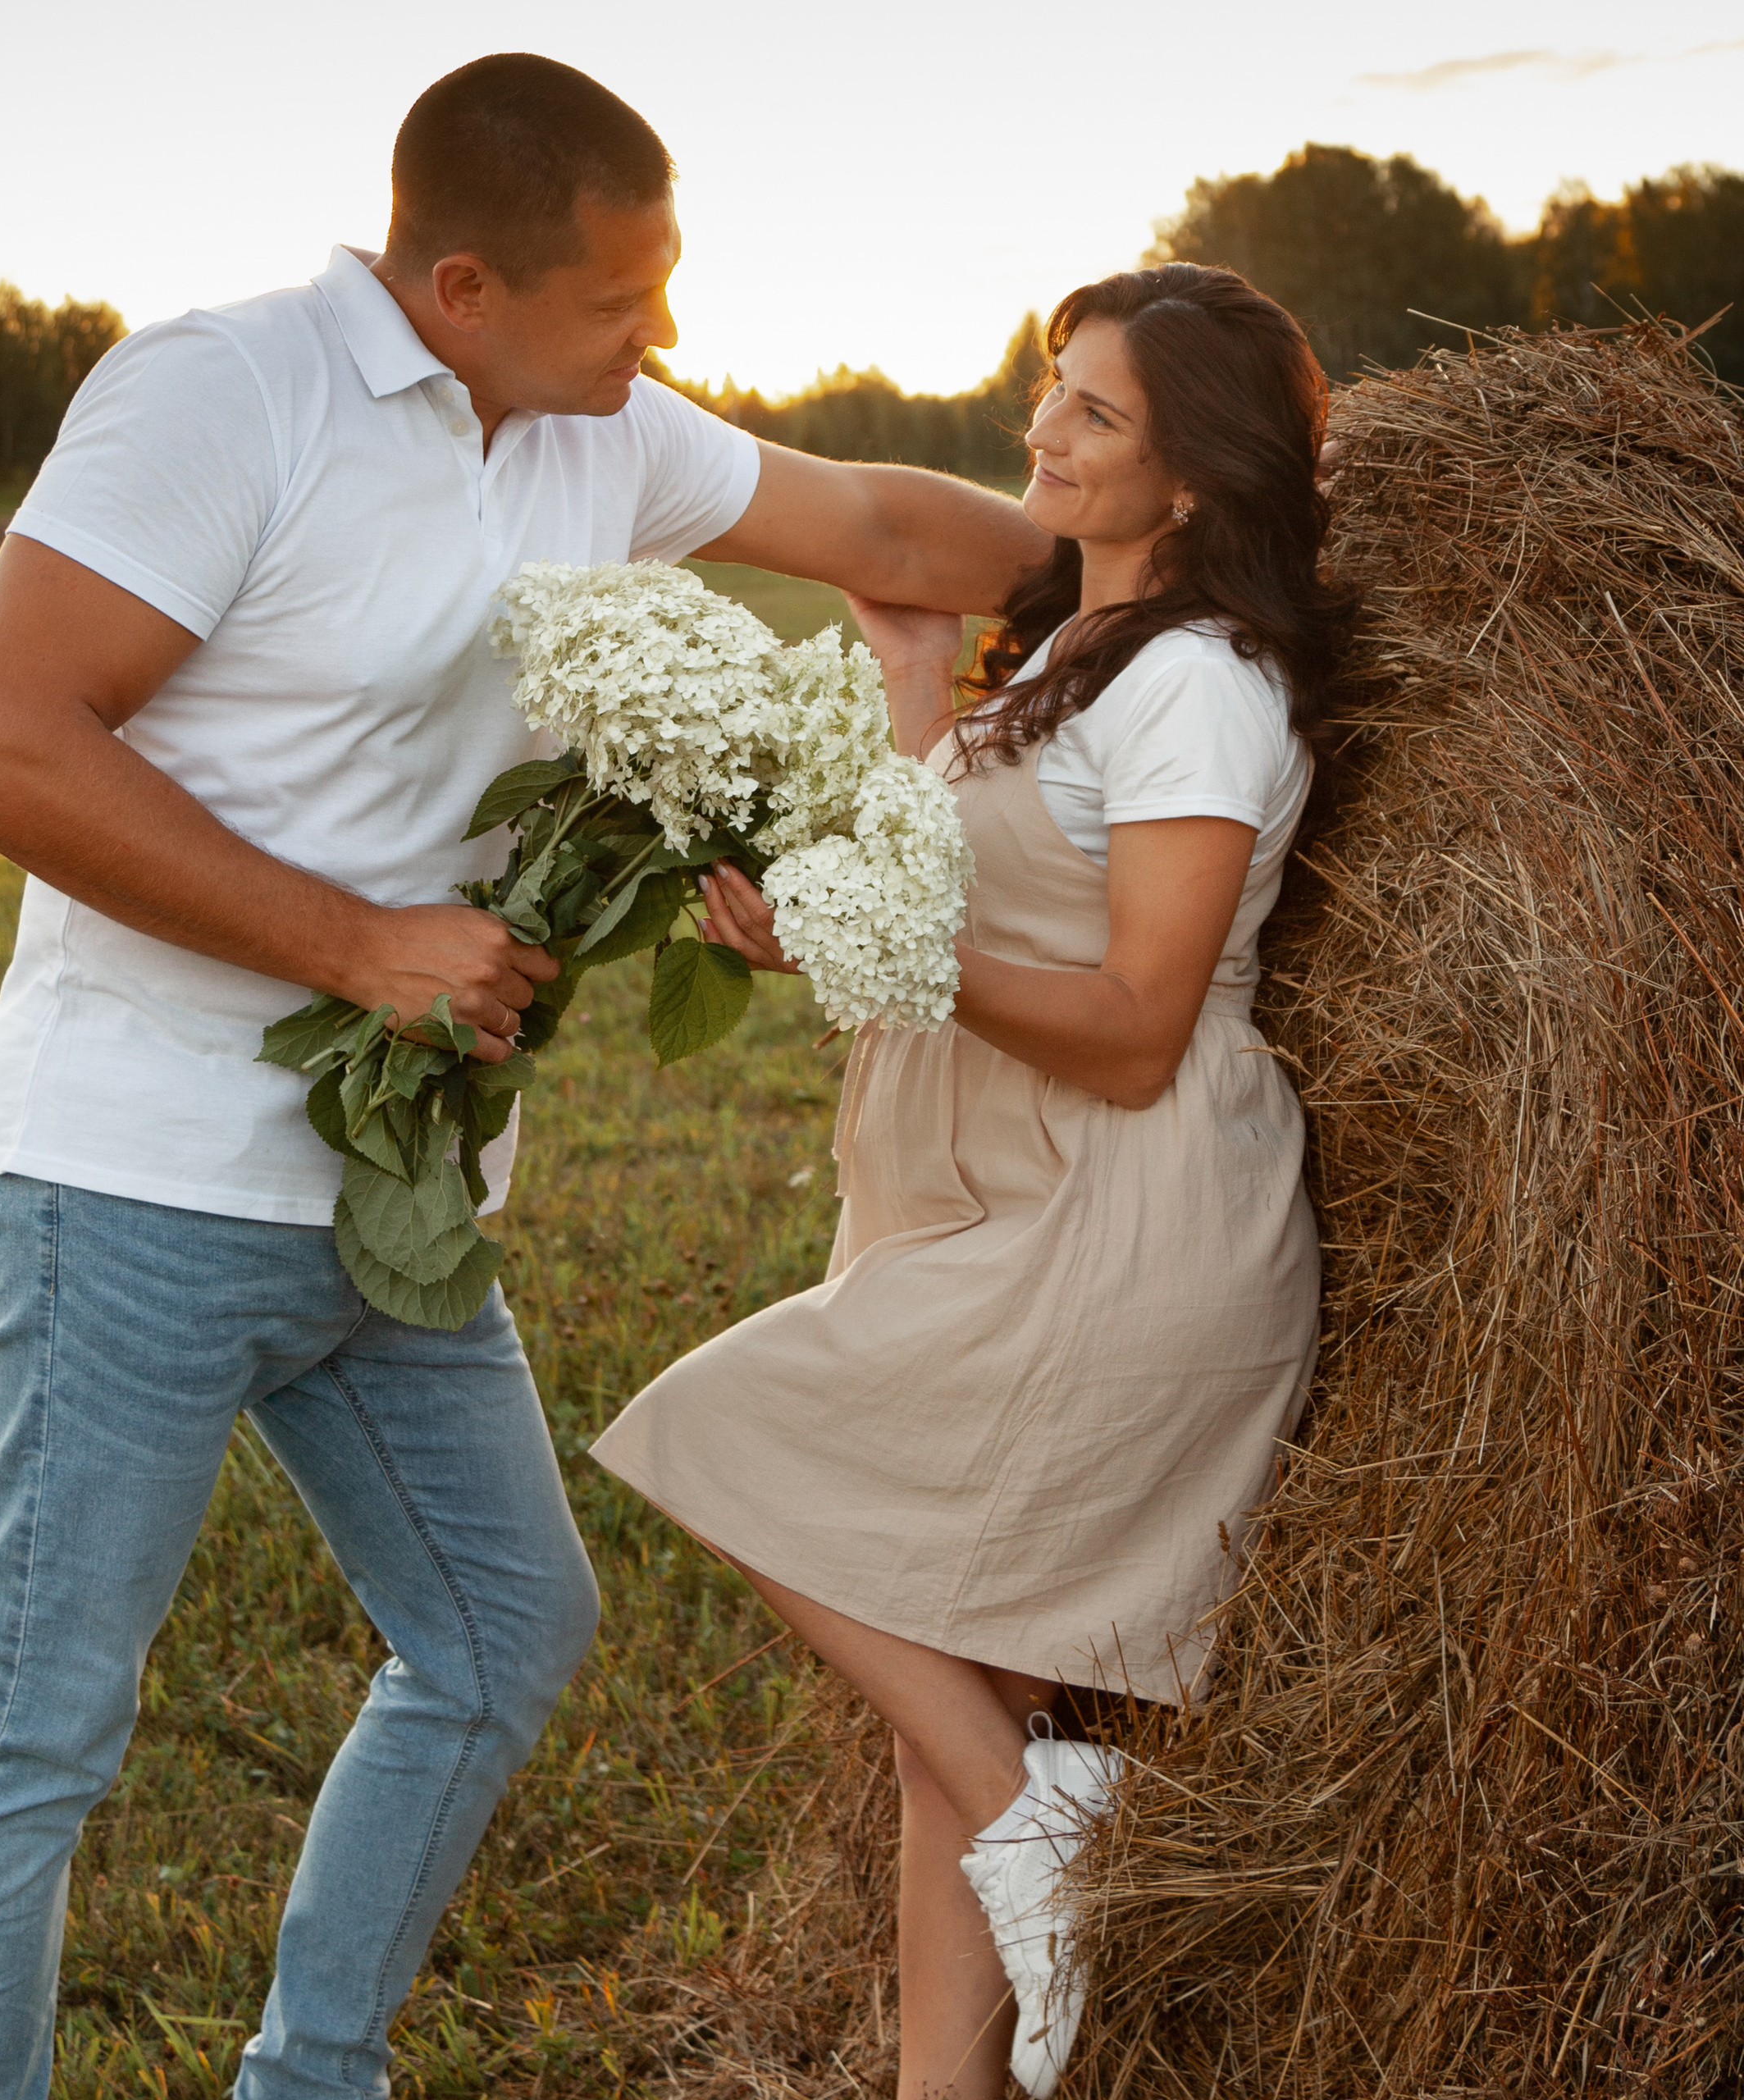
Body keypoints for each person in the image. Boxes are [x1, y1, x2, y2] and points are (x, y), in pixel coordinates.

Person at [0, 49, 1048, 2100]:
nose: (661, 335)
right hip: (137, 1174)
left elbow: (872, 516)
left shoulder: (597, 431)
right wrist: (356, 945)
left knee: (503, 1629)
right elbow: (2, 748)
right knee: (37, 1733)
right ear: (457, 287)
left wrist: (1158, 551)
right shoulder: (219, 393)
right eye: (621, 300)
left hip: (399, 1198)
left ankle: (309, 2073)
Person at [592, 262, 1354, 2099]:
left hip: (1121, 1208)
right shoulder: (1075, 662)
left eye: (1094, 412)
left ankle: (1050, 1827)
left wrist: (876, 950)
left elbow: (1134, 1019)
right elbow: (959, 867)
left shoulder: (1199, 689)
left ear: (1190, 479)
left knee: (713, 1437)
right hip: (1001, 1198)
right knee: (955, 1687)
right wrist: (913, 673)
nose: (1042, 428)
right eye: (1047, 387)